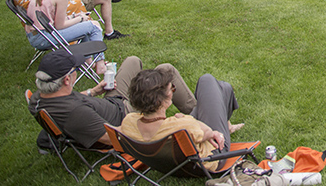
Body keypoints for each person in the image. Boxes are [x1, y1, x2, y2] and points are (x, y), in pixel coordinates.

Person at [28, 50, 198, 150]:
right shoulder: (76, 113)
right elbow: (115, 138)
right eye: (75, 70)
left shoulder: (40, 97)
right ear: (66, 80)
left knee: (132, 61)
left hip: (112, 101)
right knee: (165, 71)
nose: (77, 72)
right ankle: (199, 114)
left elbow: (73, 97)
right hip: (125, 115)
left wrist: (94, 91)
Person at [121, 69, 244, 169]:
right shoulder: (182, 125)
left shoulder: (129, 122)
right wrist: (185, 119)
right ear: (161, 101)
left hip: (171, 164)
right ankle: (227, 126)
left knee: (221, 89)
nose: (173, 92)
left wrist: (182, 120)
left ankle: (226, 109)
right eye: (171, 89)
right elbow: (209, 132)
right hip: (211, 158)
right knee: (208, 80)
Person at [26, 0, 109, 73]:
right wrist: (80, 18)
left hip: (36, 34)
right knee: (94, 26)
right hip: (44, 37)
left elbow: (56, 20)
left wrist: (75, 16)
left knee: (85, 24)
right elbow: (60, 26)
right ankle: (100, 65)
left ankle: (88, 61)